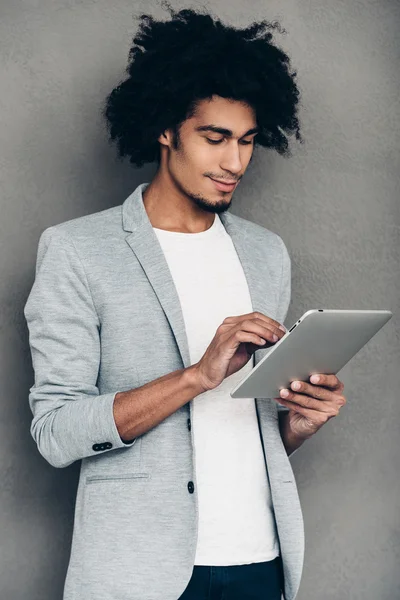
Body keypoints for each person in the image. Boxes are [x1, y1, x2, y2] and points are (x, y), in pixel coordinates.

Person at [24, 4, 347, 600]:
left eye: (248, 141)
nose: (235, 163)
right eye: (215, 138)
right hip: (141, 570)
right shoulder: (77, 251)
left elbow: (246, 429)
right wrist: (198, 376)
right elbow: (56, 432)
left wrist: (296, 426)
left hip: (261, 559)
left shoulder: (265, 254)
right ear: (165, 129)